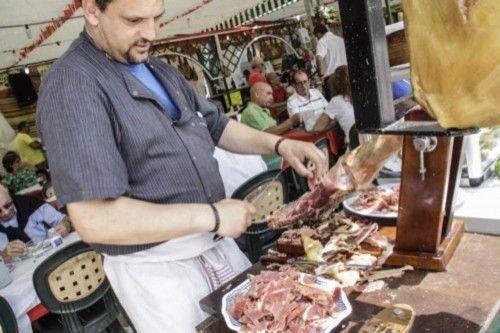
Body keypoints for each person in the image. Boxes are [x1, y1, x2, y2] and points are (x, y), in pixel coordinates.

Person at [35, 0, 326, 331]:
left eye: (156, 18)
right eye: (134, 20)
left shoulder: (157, 68)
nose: (151, 33)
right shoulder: (72, 85)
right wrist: (213, 216)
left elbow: (216, 125)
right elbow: (95, 219)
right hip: (161, 273)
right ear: (91, 9)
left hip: (215, 246)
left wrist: (278, 143)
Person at [0, 184, 71, 262]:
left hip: (53, 256)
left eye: (8, 205)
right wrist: (4, 255)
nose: (5, 212)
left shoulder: (30, 203)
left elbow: (65, 220)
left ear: (9, 194)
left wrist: (66, 225)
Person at [313, 65, 355, 144]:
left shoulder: (336, 101)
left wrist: (333, 121)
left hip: (356, 146)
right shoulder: (363, 95)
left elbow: (317, 129)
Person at [313, 24, 347, 101]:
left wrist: (321, 75)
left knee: (334, 102)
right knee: (346, 101)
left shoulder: (322, 41)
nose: (317, 38)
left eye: (316, 36)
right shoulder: (340, 39)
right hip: (345, 75)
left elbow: (319, 58)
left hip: (332, 78)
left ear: (318, 33)